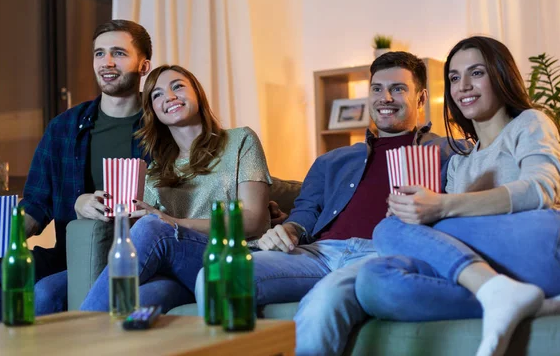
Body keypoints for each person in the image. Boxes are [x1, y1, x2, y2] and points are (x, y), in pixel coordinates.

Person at [195, 51, 468, 356]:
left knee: (324, 298)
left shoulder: (449, 153)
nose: (385, 97)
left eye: (398, 89)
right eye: (377, 89)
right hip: (317, 254)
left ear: (421, 98)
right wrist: (287, 231)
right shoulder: (334, 160)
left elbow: (460, 211)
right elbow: (305, 213)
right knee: (217, 274)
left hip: (379, 256)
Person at [355, 36, 560, 356]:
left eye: (476, 73)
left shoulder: (530, 123)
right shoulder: (459, 164)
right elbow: (452, 239)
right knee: (374, 281)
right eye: (454, 78)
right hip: (511, 269)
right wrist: (415, 217)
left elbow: (540, 190)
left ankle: (497, 290)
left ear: (501, 75)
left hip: (559, 239)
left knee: (390, 229)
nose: (463, 85)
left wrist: (439, 207)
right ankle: (518, 298)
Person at [0, 19, 153, 322]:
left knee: (45, 295)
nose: (106, 62)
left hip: (134, 258)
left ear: (143, 66)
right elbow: (37, 203)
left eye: (118, 53)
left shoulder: (160, 127)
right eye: (99, 53)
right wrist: (3, 238)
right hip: (67, 257)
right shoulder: (64, 127)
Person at [80, 64, 272, 312]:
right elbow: (138, 231)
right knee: (135, 301)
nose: (168, 97)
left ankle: (81, 328)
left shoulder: (240, 140)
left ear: (197, 94)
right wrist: (87, 203)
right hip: (181, 269)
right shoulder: (154, 172)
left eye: (178, 86)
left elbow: (253, 220)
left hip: (232, 255)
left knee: (153, 225)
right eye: (157, 94)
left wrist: (172, 221)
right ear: (153, 111)